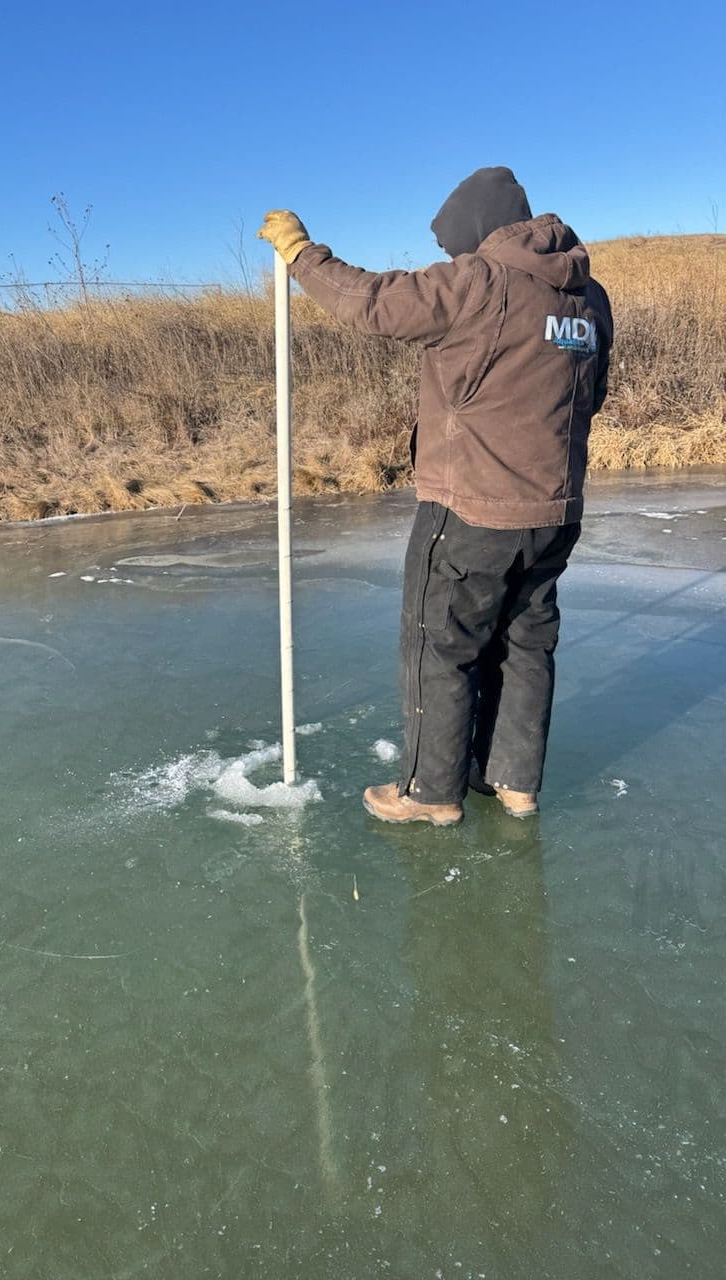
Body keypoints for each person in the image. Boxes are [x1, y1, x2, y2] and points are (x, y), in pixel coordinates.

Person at [258, 167, 613, 826]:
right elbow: (593, 393)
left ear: (478, 230)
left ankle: (431, 793)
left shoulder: (477, 282)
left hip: (472, 509)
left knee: (439, 644)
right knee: (526, 641)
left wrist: (304, 254)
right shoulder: (588, 298)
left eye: (459, 246)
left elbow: (372, 302)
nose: (456, 259)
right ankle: (513, 783)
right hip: (556, 512)